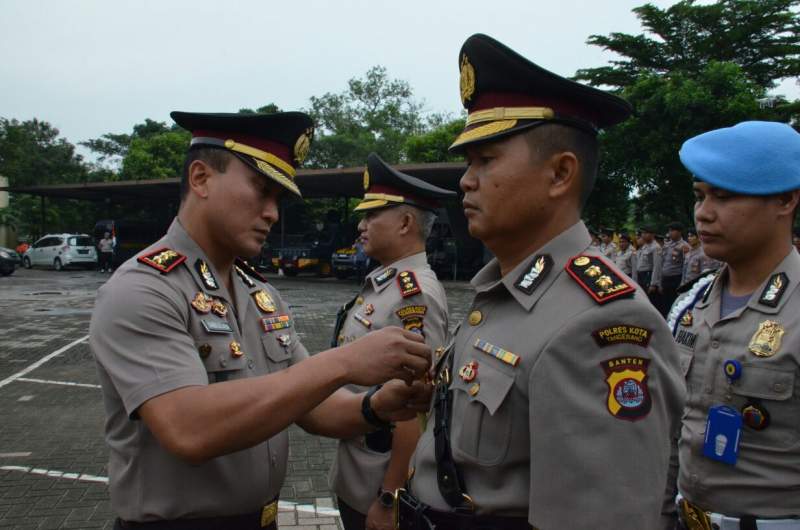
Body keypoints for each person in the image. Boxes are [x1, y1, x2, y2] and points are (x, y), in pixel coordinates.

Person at [89, 111, 433, 530]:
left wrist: (375, 406)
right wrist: (342, 363)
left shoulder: (261, 295)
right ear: (201, 179)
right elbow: (188, 427)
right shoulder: (144, 289)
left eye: (279, 199)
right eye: (261, 190)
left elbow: (313, 406)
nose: (272, 213)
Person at [398, 33, 685, 530]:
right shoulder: (503, 293)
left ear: (560, 174)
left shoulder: (601, 321)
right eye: (469, 163)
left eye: (486, 160)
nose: (466, 180)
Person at [665, 121, 800, 529]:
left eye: (723, 197)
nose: (703, 213)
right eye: (700, 196)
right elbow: (674, 429)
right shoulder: (692, 304)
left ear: (785, 201)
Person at [329, 153, 454, 530]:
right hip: (358, 467)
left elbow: (413, 408)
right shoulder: (384, 282)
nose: (361, 226)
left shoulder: (412, 295)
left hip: (377, 480)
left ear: (405, 223)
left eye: (371, 216)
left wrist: (391, 497)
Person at [652, 223, 691, 317]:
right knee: (664, 305)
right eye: (669, 230)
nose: (670, 233)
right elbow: (662, 264)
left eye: (672, 230)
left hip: (676, 279)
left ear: (679, 232)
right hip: (665, 279)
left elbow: (686, 266)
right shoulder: (667, 245)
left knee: (674, 305)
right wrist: (659, 283)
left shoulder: (684, 246)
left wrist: (683, 283)